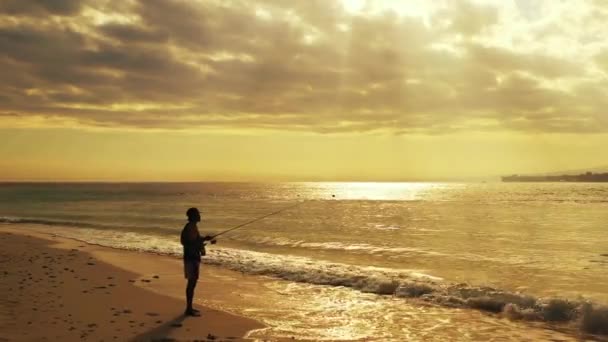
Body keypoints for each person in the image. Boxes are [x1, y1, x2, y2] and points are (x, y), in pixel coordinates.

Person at [180, 207, 214, 316]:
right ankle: (188, 309)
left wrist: (205, 239)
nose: (200, 216)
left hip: (193, 257)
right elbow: (189, 243)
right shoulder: (190, 227)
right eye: (198, 214)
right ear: (193, 216)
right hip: (191, 258)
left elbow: (195, 240)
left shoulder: (193, 227)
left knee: (192, 283)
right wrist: (201, 243)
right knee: (191, 283)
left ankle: (189, 308)